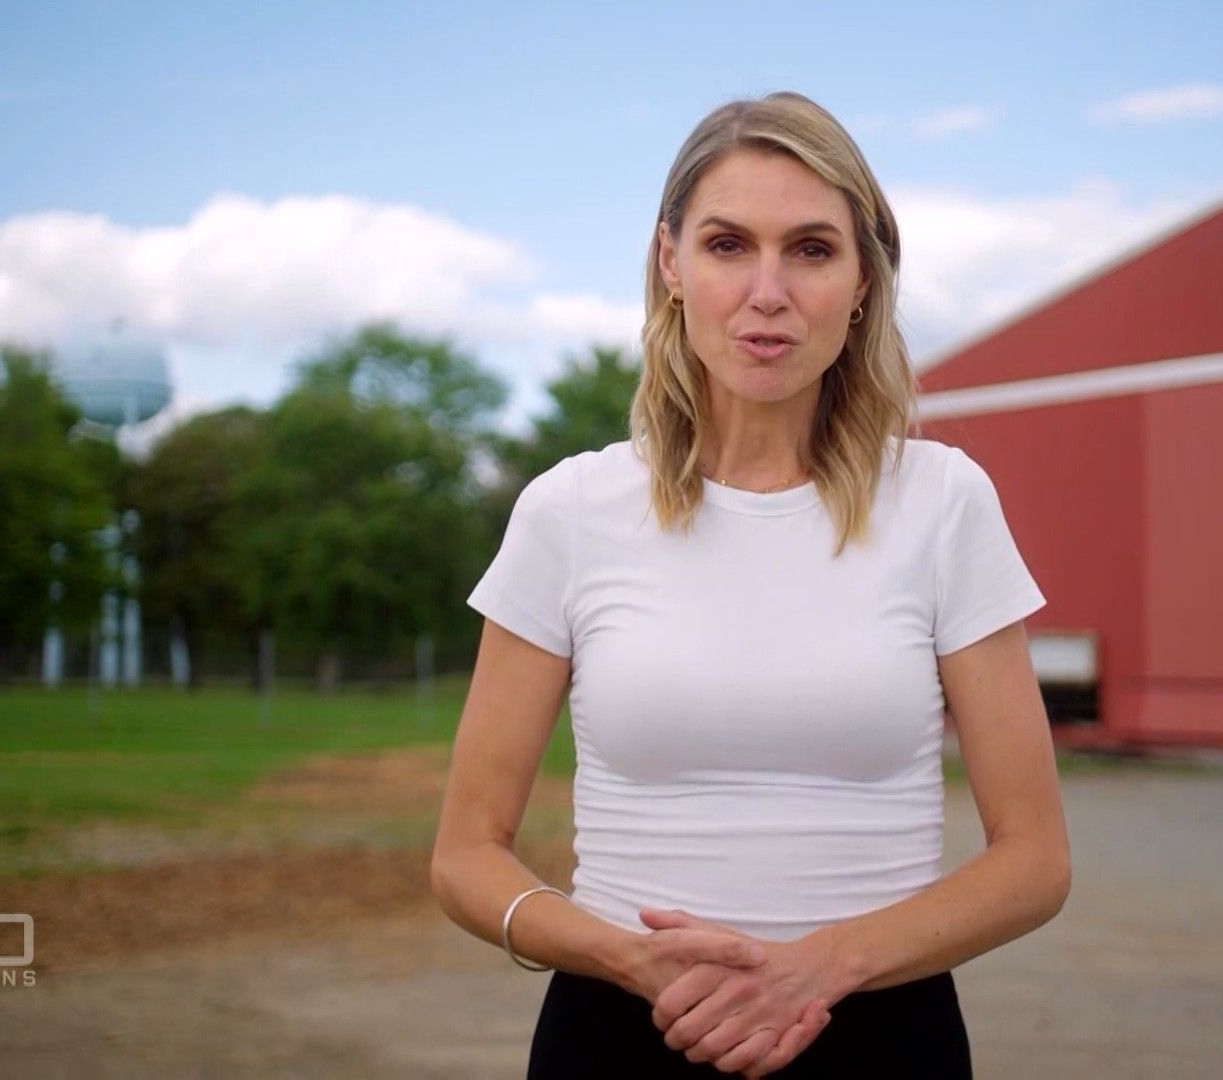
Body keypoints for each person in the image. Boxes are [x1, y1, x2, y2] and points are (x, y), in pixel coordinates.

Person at [429, 90, 1072, 1078]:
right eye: (728, 245)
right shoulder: (570, 511)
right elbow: (466, 854)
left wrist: (822, 965)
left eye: (811, 249)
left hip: (882, 1041)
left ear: (863, 282)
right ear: (670, 263)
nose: (767, 292)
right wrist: (626, 957)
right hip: (619, 1036)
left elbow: (1034, 861)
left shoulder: (945, 502)